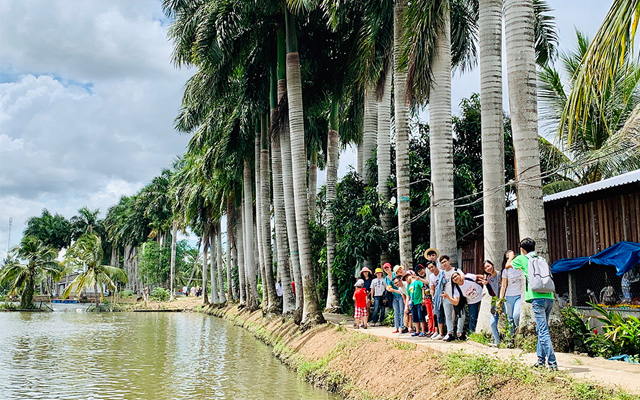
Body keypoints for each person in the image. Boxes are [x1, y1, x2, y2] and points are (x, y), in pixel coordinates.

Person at [511, 237, 557, 371]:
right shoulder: (541, 259)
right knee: (541, 329)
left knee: (543, 331)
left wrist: (511, 256)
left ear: (522, 249)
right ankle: (540, 361)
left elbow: (508, 265)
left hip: (536, 298)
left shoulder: (522, 258)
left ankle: (553, 364)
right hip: (549, 297)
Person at [478, 260, 502, 346]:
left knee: (507, 320)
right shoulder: (488, 278)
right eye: (485, 268)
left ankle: (509, 340)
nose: (488, 268)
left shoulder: (500, 274)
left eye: (489, 266)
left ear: (492, 265)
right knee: (492, 322)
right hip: (495, 300)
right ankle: (497, 341)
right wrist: (487, 284)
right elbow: (491, 293)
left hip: (504, 299)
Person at [439, 255, 462, 341]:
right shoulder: (442, 273)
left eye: (445, 261)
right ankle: (450, 333)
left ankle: (459, 333)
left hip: (456, 296)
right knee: (448, 316)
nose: (444, 264)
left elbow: (462, 277)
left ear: (449, 261)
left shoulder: (456, 270)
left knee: (459, 315)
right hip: (446, 296)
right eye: (442, 263)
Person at [501, 250, 522, 336]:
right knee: (509, 318)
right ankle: (511, 339)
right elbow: (503, 286)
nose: (509, 259)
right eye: (507, 258)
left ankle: (519, 333)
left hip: (520, 295)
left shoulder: (521, 268)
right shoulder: (506, 271)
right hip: (509, 296)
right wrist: (501, 299)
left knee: (516, 315)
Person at [383, 263, 407, 334]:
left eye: (387, 267)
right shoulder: (386, 278)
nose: (387, 269)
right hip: (394, 295)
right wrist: (388, 288)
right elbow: (388, 286)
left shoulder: (395, 274)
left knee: (402, 311)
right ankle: (396, 327)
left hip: (401, 294)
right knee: (396, 312)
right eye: (385, 268)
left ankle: (402, 327)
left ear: (390, 267)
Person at [415, 264, 435, 336]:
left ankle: (434, 330)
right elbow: (423, 289)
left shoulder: (430, 276)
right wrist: (423, 298)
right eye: (418, 272)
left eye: (421, 270)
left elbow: (428, 282)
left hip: (432, 297)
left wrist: (419, 278)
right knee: (429, 315)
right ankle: (430, 329)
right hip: (426, 298)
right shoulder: (422, 279)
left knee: (433, 314)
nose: (420, 272)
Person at [406, 271, 427, 337]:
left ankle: (423, 331)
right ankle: (417, 331)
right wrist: (407, 304)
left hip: (419, 302)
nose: (407, 278)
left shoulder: (417, 281)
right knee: (415, 318)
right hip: (413, 303)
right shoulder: (409, 285)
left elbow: (422, 288)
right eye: (405, 278)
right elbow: (408, 295)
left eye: (407, 276)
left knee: (421, 317)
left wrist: (423, 298)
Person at [427, 261, 444, 340]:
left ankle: (445, 332)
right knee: (437, 315)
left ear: (436, 266)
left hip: (445, 296)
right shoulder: (431, 276)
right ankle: (438, 332)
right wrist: (433, 298)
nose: (431, 269)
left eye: (432, 267)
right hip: (436, 298)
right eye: (429, 268)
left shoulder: (442, 273)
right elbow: (432, 288)